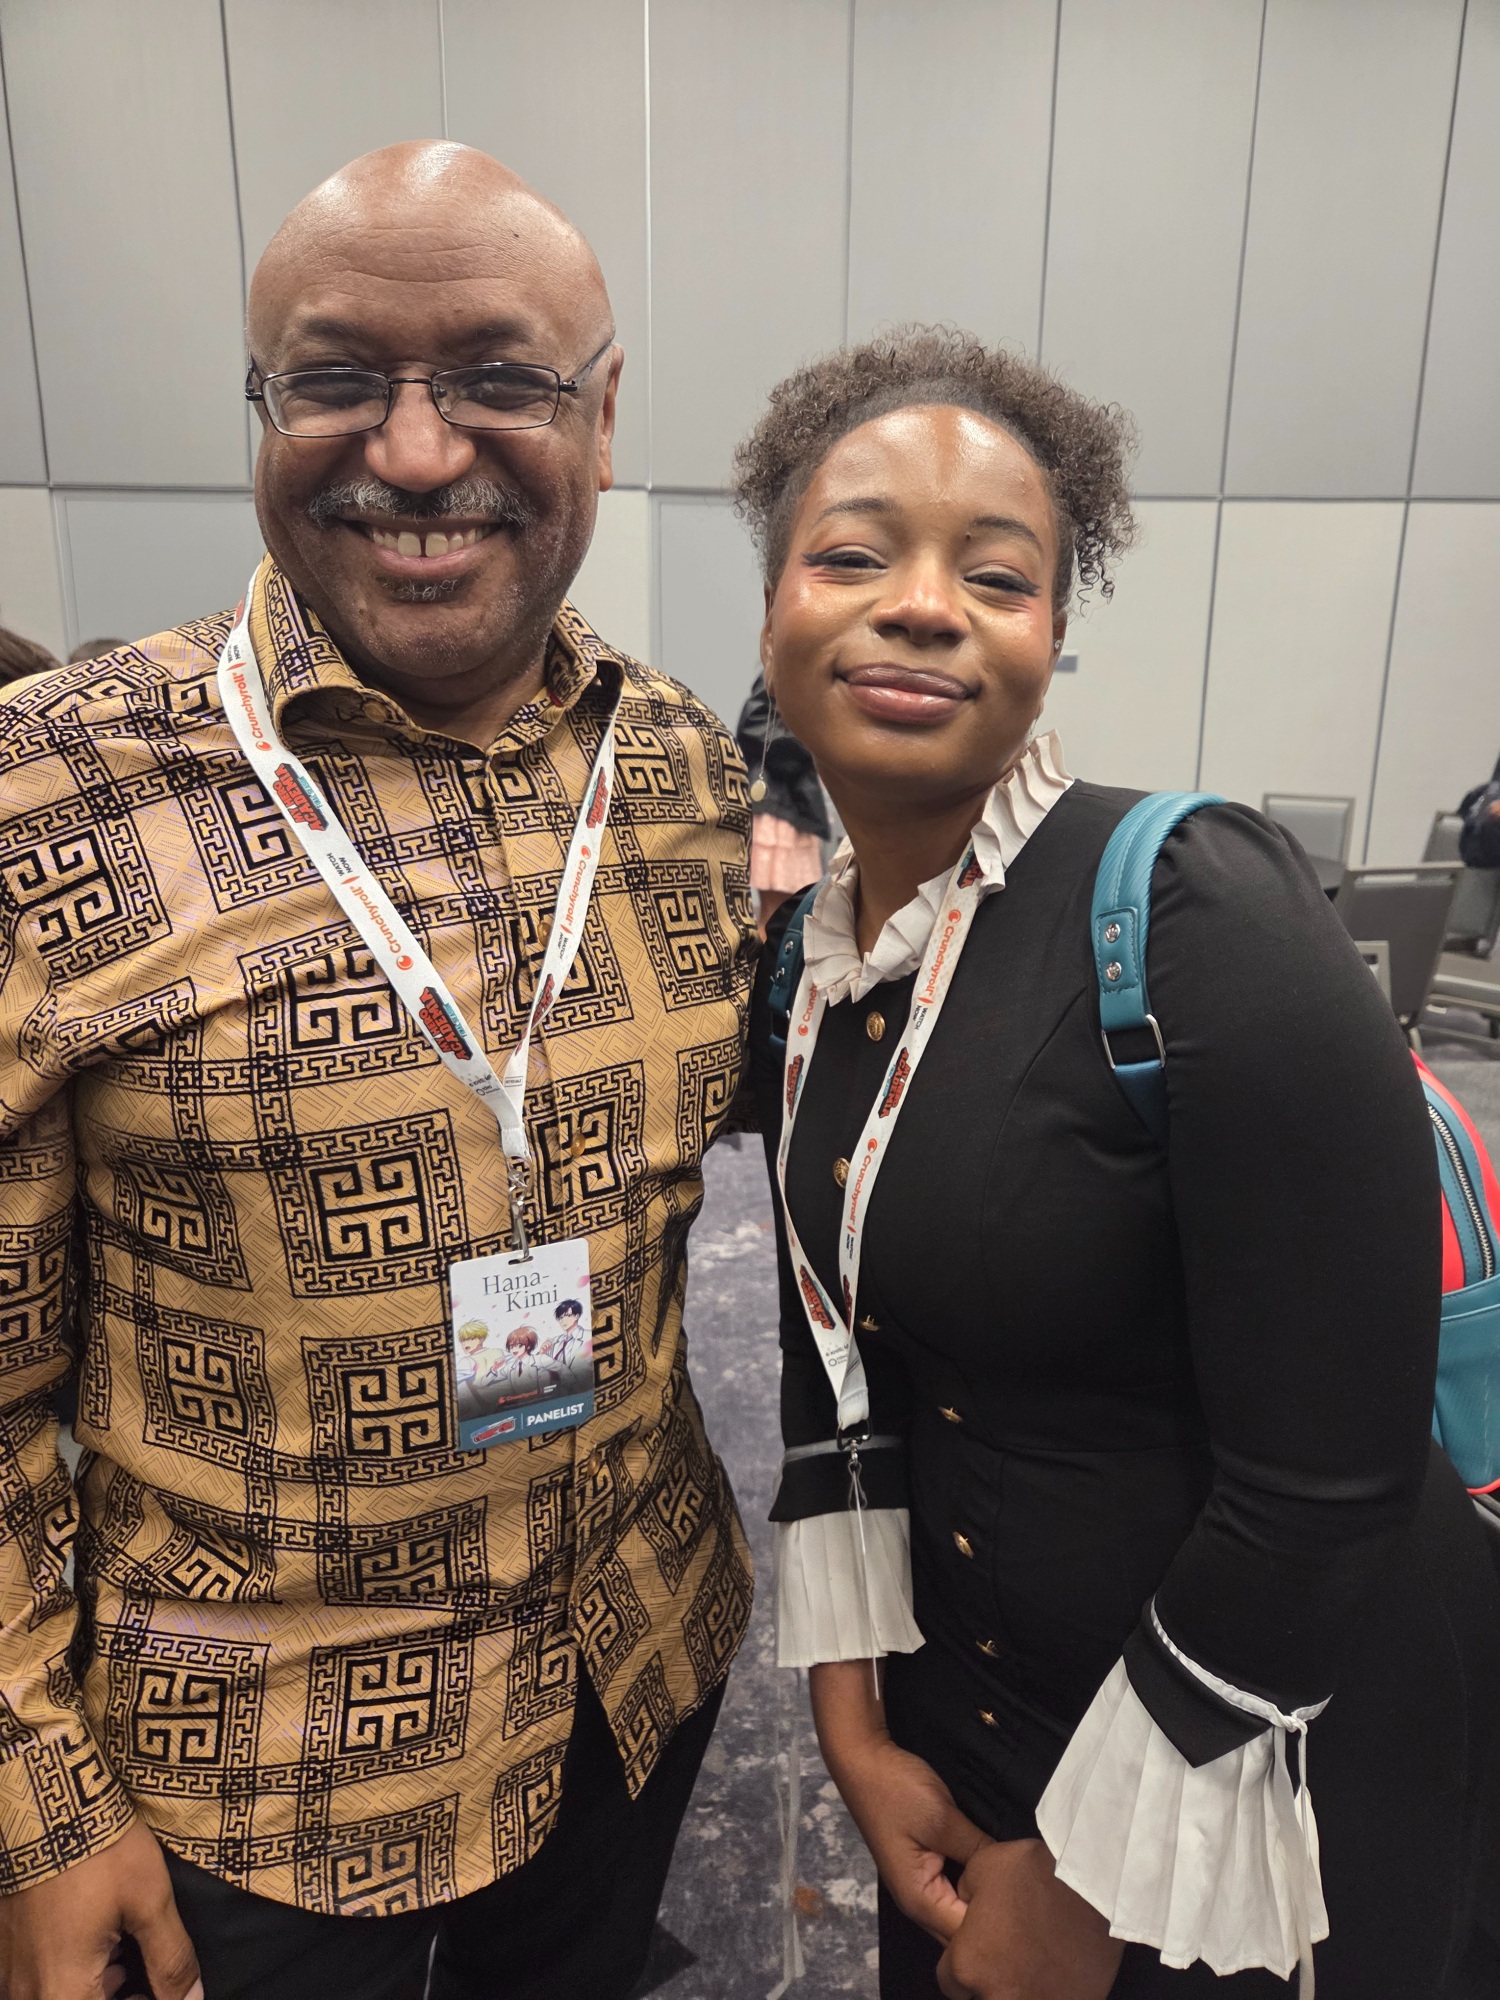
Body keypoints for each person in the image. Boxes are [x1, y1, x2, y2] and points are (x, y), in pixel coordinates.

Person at [0, 142, 754, 2000]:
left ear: (601, 415)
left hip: (630, 1673)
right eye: (335, 379)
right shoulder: (53, 793)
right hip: (255, 1786)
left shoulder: (685, 773)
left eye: (500, 378)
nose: (415, 453)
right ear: (260, 405)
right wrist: (34, 1797)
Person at [741, 327, 1500, 1999]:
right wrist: (854, 1723)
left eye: (996, 575)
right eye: (853, 554)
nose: (924, 605)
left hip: (1262, 1762)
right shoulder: (815, 965)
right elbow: (834, 1351)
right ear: (774, 601)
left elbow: (1330, 1481)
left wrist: (1089, 1886)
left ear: (1050, 633)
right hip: (978, 1731)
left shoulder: (1196, 909)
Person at [735, 670, 830, 930]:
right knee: (777, 914)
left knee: (787, 914)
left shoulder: (800, 671)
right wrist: (809, 748)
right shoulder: (779, 670)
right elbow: (754, 725)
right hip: (781, 807)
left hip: (791, 806)